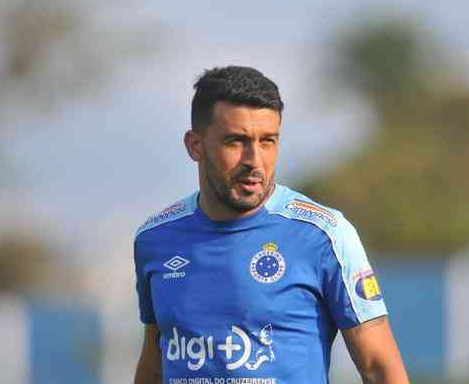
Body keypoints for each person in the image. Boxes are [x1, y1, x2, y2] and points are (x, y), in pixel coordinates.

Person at [133, 66, 409, 384]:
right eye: (236, 141)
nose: (254, 160)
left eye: (268, 141)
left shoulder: (324, 234)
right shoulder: (155, 240)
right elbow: (154, 364)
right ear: (195, 146)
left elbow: (380, 368)